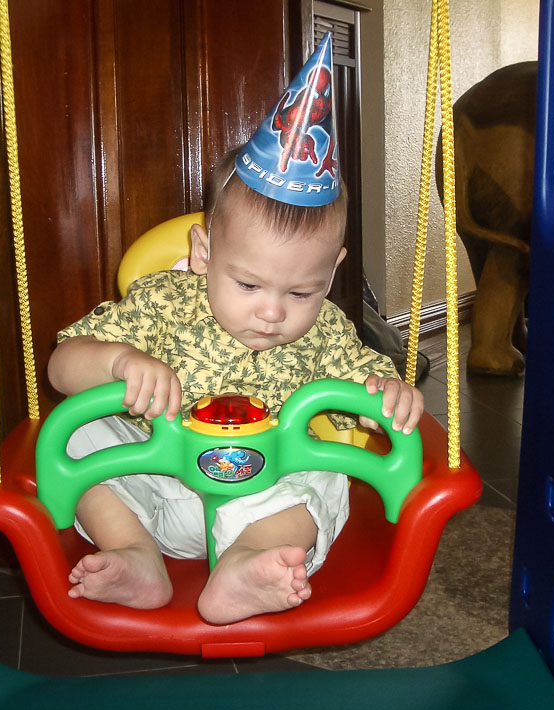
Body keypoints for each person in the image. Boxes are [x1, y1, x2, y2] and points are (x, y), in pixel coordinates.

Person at [47, 34, 424, 625]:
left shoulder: (326, 331)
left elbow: (370, 386)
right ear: (203, 253)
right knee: (79, 433)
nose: (272, 312)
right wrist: (119, 363)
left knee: (327, 472)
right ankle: (133, 552)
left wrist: (390, 395)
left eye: (300, 292)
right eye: (248, 285)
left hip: (261, 503)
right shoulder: (164, 302)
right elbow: (61, 365)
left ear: (333, 272)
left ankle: (247, 566)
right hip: (150, 483)